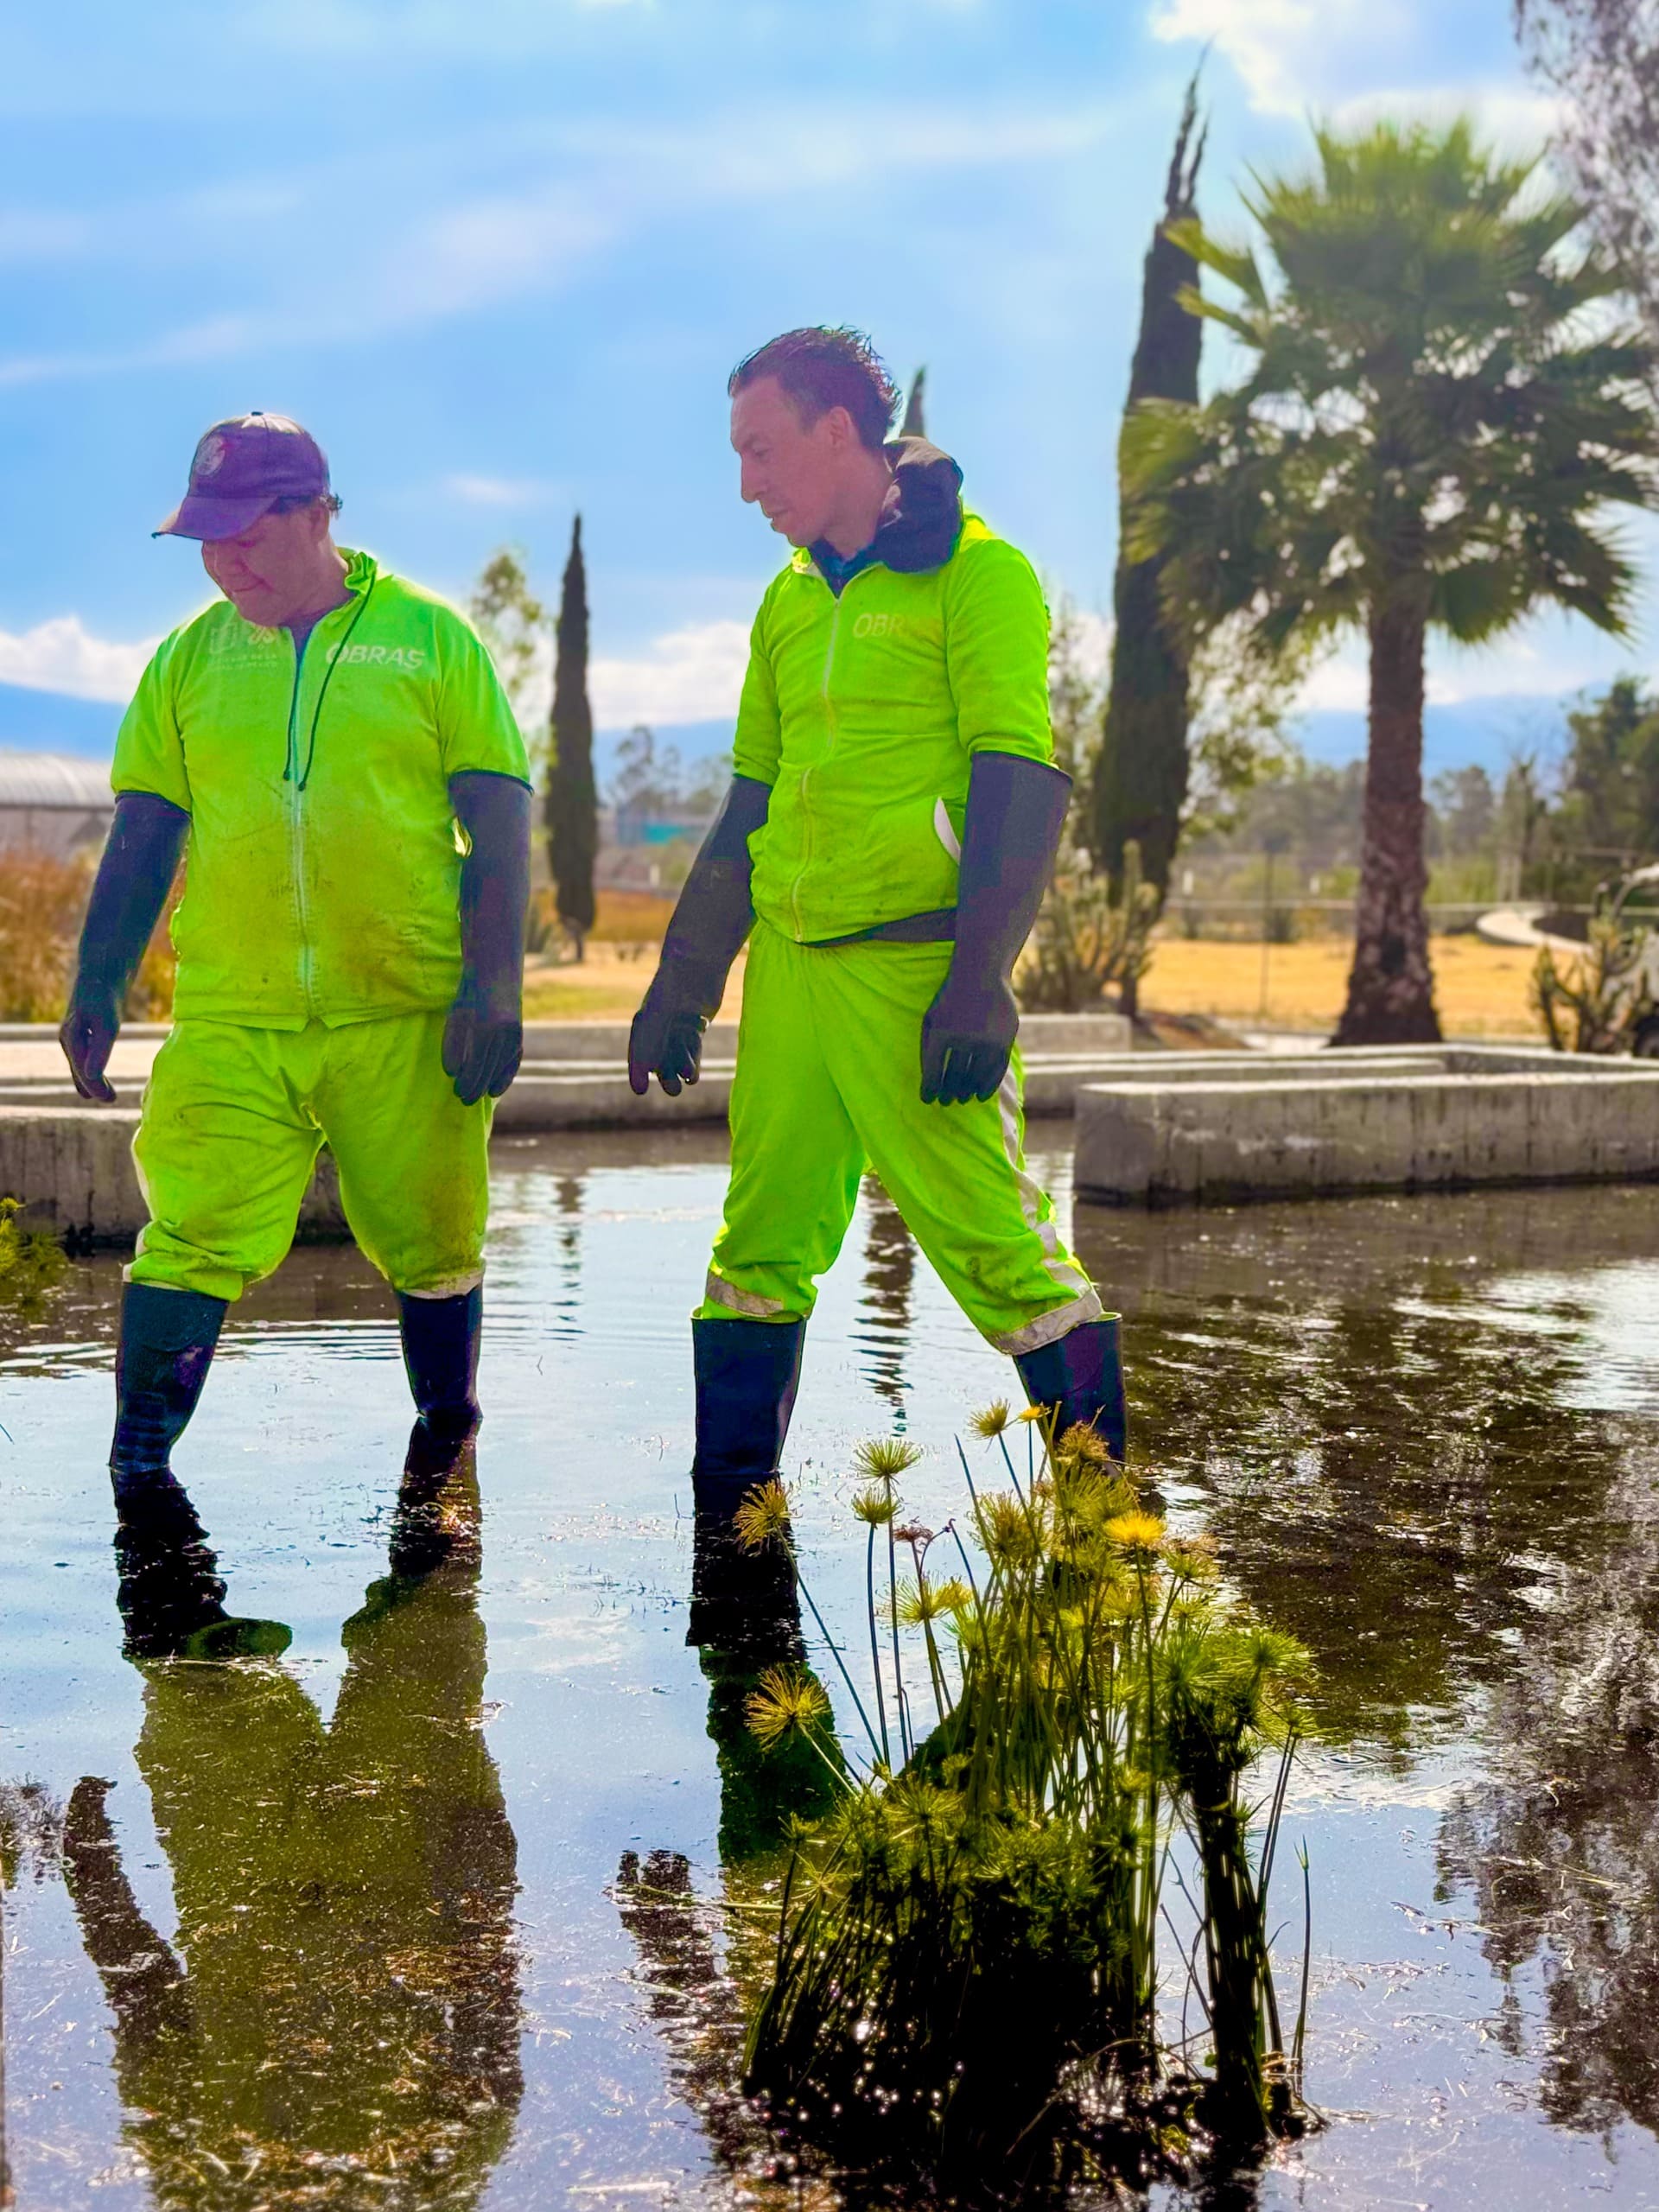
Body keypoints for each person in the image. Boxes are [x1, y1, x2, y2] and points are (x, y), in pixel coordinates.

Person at [628, 328, 1125, 1637]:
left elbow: (1022, 780)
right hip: (793, 971)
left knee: (998, 1252)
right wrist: (685, 979)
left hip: (919, 974)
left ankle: (1107, 1544)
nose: (747, 482)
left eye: (761, 449)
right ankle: (734, 1539)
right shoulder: (790, 599)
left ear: (840, 429)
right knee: (756, 1252)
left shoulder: (982, 576)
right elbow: (752, 799)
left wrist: (983, 982)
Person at [60, 411, 532, 1503]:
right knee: (189, 1231)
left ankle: (445, 1445)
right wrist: (97, 978)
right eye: (207, 542)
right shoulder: (188, 661)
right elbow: (143, 829)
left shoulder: (428, 639)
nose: (225, 562)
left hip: (402, 1008)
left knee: (433, 1241)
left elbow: (498, 818)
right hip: (235, 1010)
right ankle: (138, 1475)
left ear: (318, 514)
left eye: (246, 536)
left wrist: (492, 986)